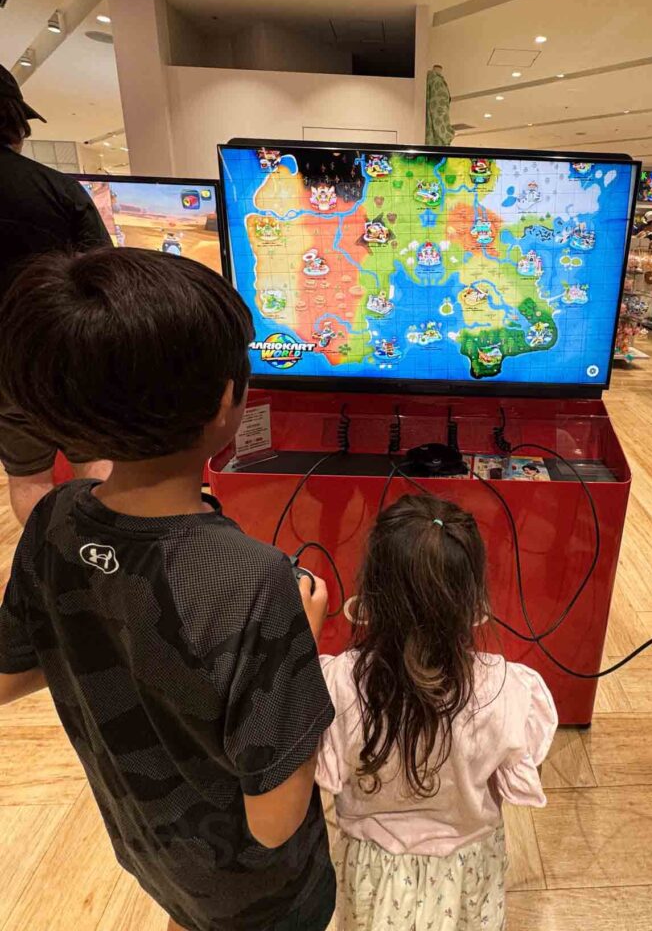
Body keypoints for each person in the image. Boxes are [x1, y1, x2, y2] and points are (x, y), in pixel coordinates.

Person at [0, 248, 336, 931]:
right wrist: (300, 637)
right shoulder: (255, 583)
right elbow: (274, 821)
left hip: (148, 848)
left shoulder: (54, 519)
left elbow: (9, 675)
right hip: (259, 896)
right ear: (225, 403)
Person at [316, 494, 558, 931]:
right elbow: (509, 781)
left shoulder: (338, 685)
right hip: (466, 874)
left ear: (372, 590)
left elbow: (324, 777)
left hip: (373, 876)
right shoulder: (510, 691)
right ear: (472, 599)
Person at [0, 63, 112, 524]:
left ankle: (45, 566)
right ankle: (106, 559)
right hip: (69, 351)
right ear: (14, 120)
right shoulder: (58, 189)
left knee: (28, 475)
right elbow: (105, 275)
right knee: (96, 460)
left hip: (3, 364)